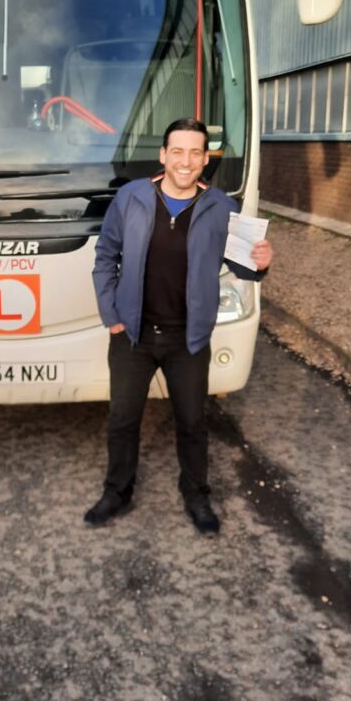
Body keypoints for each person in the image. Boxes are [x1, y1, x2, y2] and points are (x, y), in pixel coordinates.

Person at [86, 118, 273, 533]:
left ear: (205, 158)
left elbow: (244, 267)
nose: (185, 161)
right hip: (132, 336)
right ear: (163, 155)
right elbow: (105, 256)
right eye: (177, 151)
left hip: (187, 339)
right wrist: (111, 317)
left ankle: (196, 496)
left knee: (192, 422)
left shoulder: (223, 208)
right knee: (122, 420)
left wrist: (261, 264)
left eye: (195, 153)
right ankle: (117, 491)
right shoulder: (131, 198)